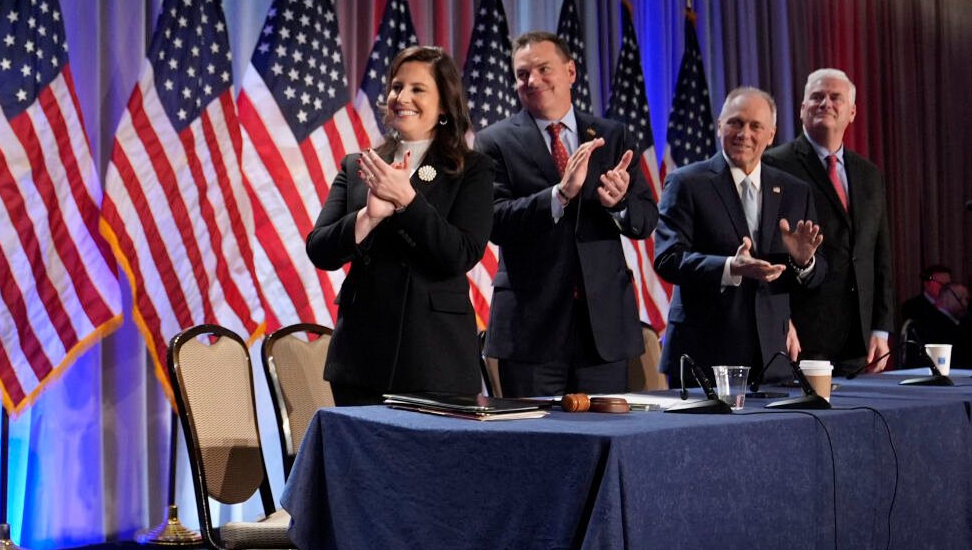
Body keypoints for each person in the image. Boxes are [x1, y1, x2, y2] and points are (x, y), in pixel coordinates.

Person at [306, 44, 494, 402]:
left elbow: (460, 254)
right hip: (361, 357)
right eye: (396, 86)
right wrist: (368, 217)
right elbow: (320, 249)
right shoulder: (358, 166)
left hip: (434, 358)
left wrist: (408, 201)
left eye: (417, 89)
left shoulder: (472, 170)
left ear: (443, 105)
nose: (401, 96)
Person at [477, 32, 657, 395]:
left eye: (544, 69)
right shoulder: (494, 141)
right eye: (522, 74)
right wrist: (559, 195)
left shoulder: (611, 136)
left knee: (604, 439)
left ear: (571, 72)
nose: (532, 80)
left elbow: (646, 218)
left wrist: (618, 204)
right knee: (533, 443)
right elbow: (494, 221)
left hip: (602, 330)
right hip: (531, 329)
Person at [654, 87, 825, 380]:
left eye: (755, 126)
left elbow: (818, 272)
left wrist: (804, 262)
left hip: (772, 354)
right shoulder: (687, 183)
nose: (744, 133)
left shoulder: (795, 191)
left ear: (771, 134)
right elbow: (668, 258)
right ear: (720, 125)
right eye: (735, 122)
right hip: (704, 353)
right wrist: (729, 267)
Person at [764, 69, 893, 375]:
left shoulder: (869, 173)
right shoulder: (774, 164)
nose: (826, 103)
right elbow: (766, 247)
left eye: (836, 97)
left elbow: (880, 255)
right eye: (817, 97)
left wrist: (881, 328)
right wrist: (780, 320)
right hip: (802, 336)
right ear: (801, 109)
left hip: (859, 339)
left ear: (852, 111)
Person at [900, 263, 953, 329]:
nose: (944, 287)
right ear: (926, 284)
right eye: (940, 283)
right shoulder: (912, 306)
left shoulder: (952, 304)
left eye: (947, 284)